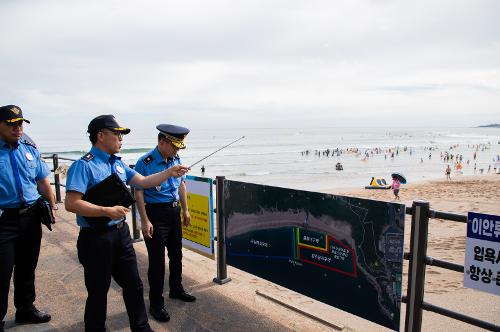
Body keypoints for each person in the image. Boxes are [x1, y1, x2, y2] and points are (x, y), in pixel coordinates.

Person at [64, 115, 189, 332]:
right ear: (101, 136)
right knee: (98, 292)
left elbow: (143, 182)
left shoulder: (119, 164)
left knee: (134, 285)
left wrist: (169, 172)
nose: (121, 139)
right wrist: (105, 211)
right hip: (96, 238)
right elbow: (71, 203)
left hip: (121, 234)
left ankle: (141, 327)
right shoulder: (83, 166)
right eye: (117, 134)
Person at [0, 105, 57, 331]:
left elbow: (42, 179)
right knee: (2, 271)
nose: (18, 129)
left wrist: (52, 205)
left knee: (27, 266)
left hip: (31, 217)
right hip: (4, 220)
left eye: (20, 124)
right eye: (11, 125)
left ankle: (25, 308)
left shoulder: (29, 146)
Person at [134, 124, 196, 323]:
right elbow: (138, 191)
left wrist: (185, 210)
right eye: (174, 146)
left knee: (176, 254)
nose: (177, 151)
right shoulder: (145, 162)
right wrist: (144, 220)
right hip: (155, 213)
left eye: (179, 147)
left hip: (173, 211)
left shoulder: (176, 159)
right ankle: (156, 303)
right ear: (162, 142)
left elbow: (182, 185)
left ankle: (176, 289)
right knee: (157, 261)